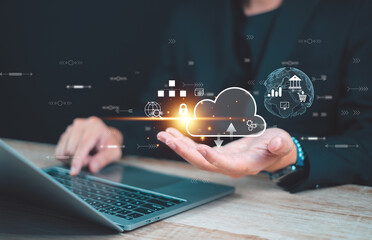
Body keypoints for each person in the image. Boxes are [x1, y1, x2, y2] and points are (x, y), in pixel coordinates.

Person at [55, 0, 372, 192]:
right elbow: (159, 119)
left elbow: (366, 143)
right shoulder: (193, 15)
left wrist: (294, 155)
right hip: (202, 205)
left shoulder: (355, 13)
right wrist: (115, 134)